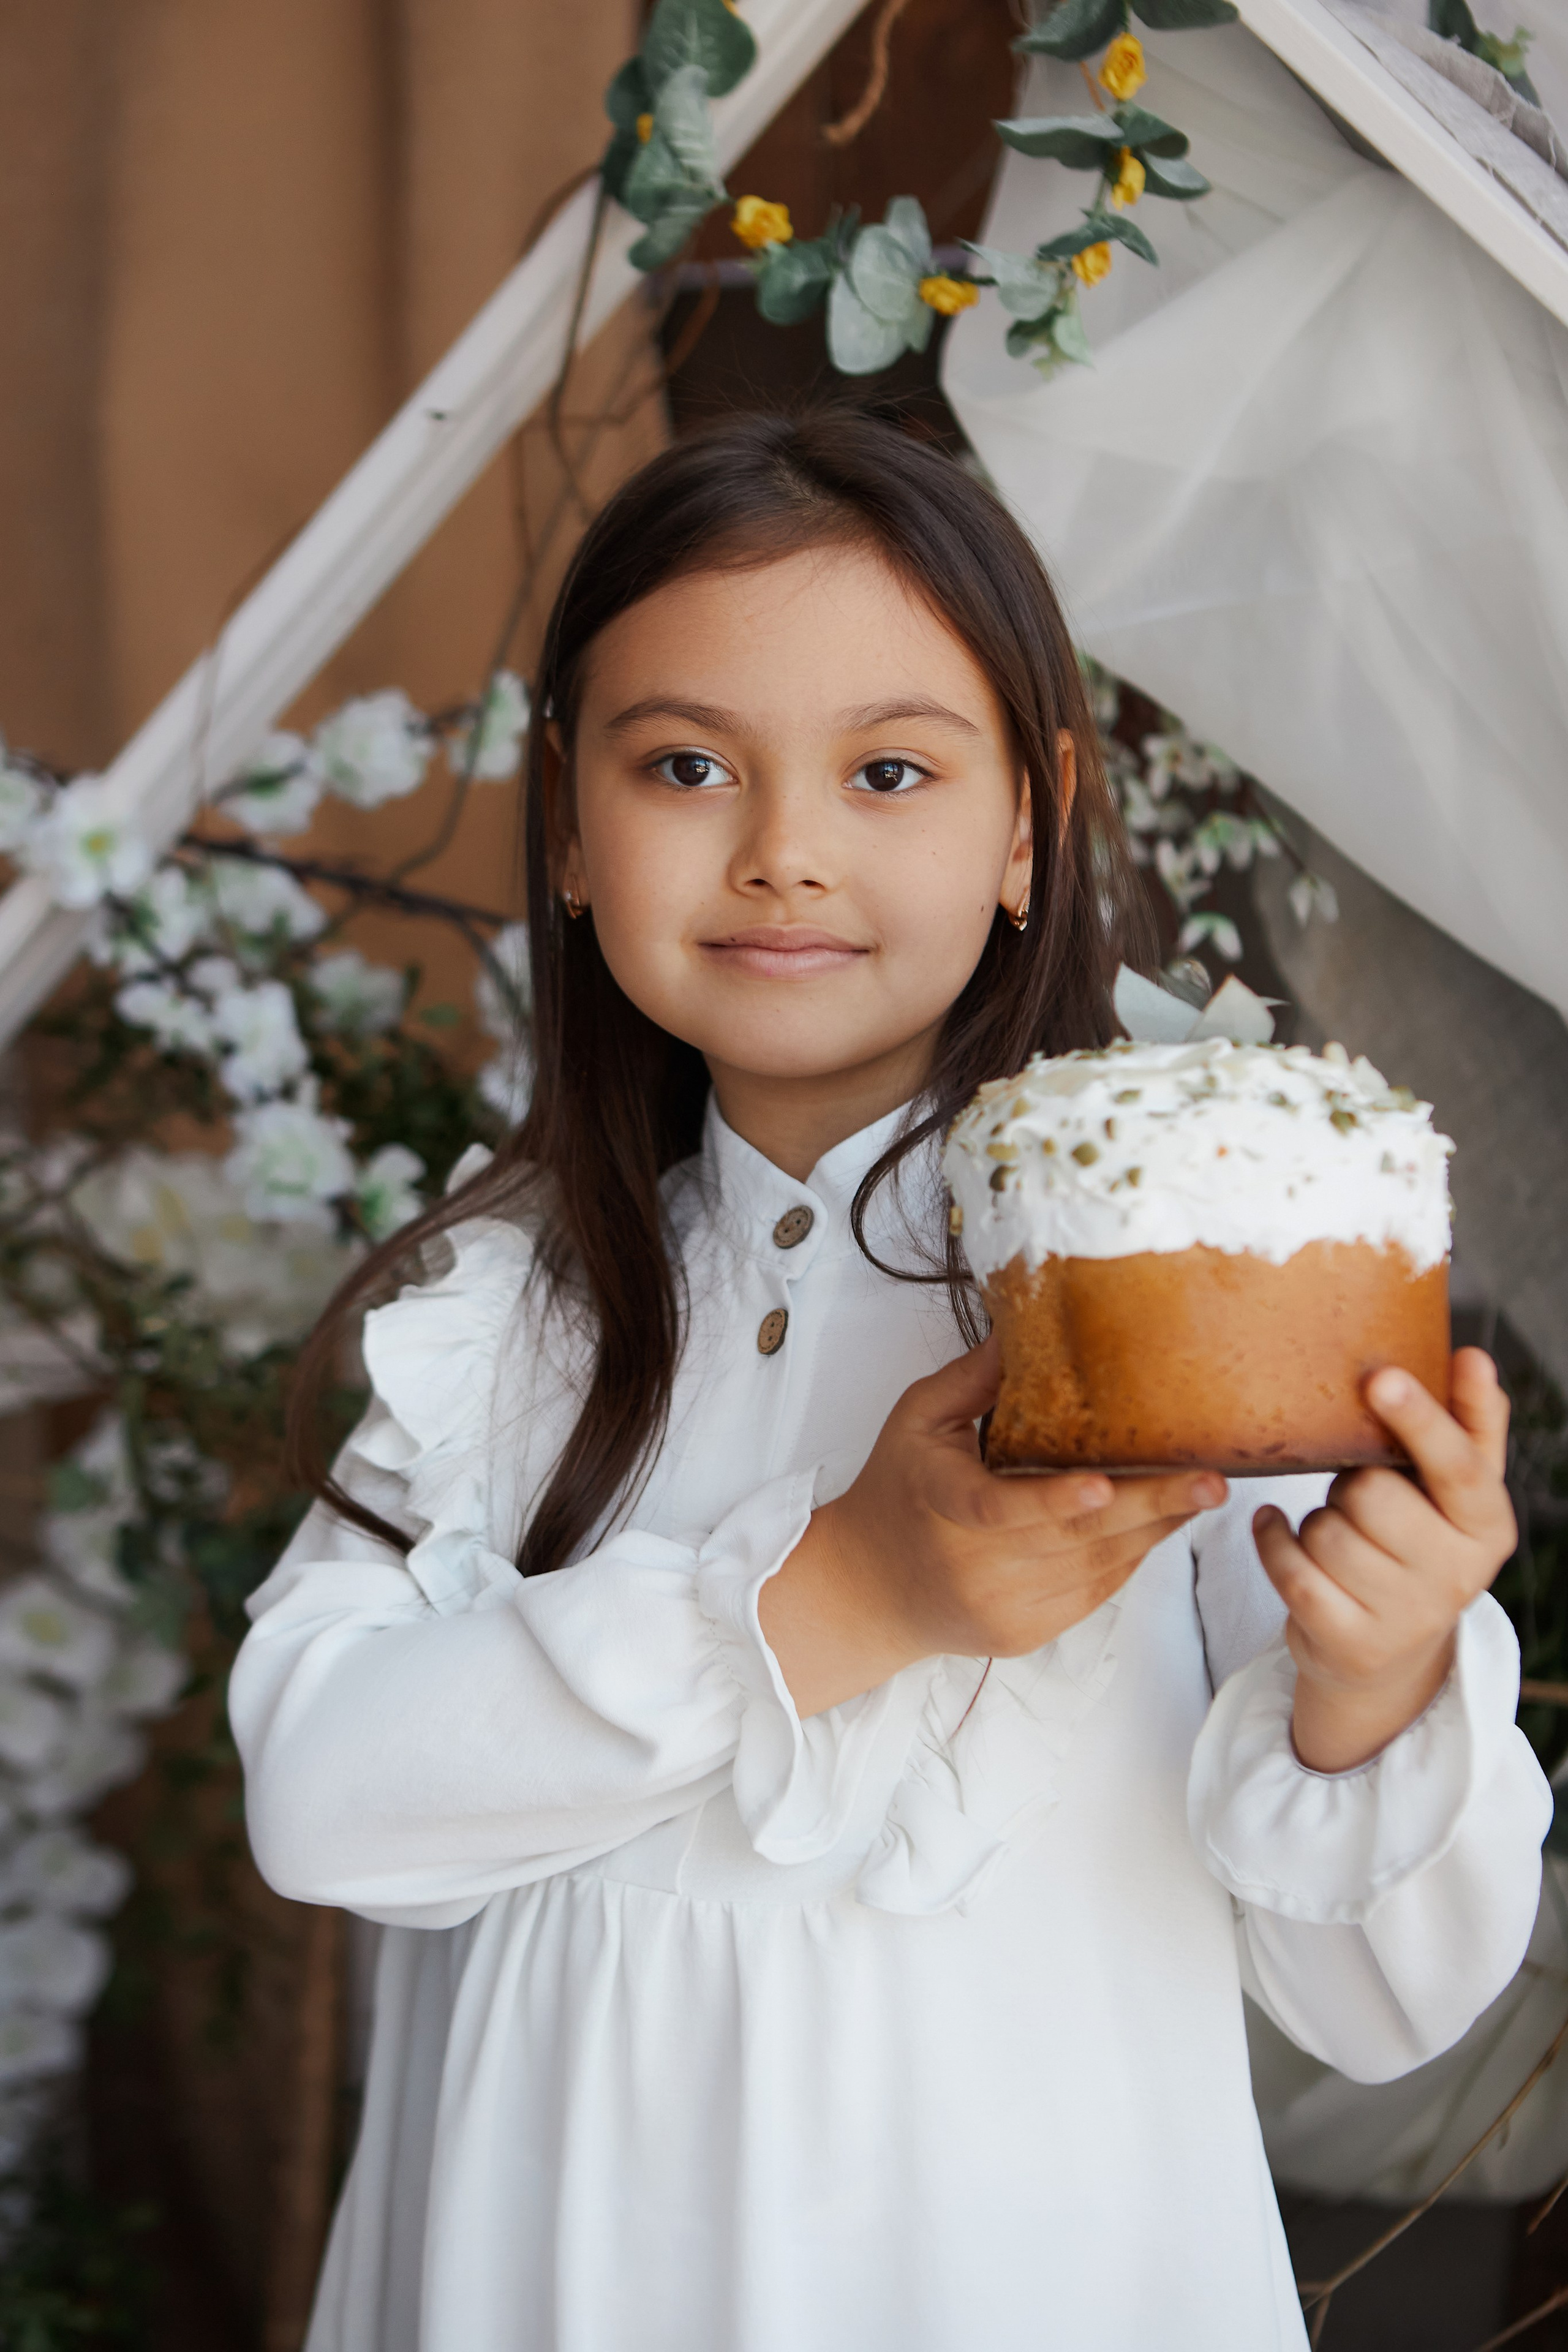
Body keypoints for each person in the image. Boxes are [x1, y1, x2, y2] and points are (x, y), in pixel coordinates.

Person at [231, 410, 1548, 2352]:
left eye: (889, 771)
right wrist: (832, 1599)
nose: (783, 851)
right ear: (570, 827)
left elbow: (1379, 2001)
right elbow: (325, 1805)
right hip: (540, 2274)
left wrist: (1377, 1681)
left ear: (1030, 821)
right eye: (686, 765)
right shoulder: (514, 1308)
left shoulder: (1175, 1272)